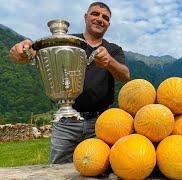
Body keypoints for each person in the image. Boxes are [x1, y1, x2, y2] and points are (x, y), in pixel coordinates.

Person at [9, 2, 130, 164]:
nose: (100, 19)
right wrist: (23, 50)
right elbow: (37, 52)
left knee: (98, 167)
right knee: (58, 169)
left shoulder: (113, 49)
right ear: (85, 17)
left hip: (101, 123)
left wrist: (110, 62)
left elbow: (125, 75)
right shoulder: (67, 41)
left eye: (105, 17)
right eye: (95, 14)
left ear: (109, 24)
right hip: (65, 121)